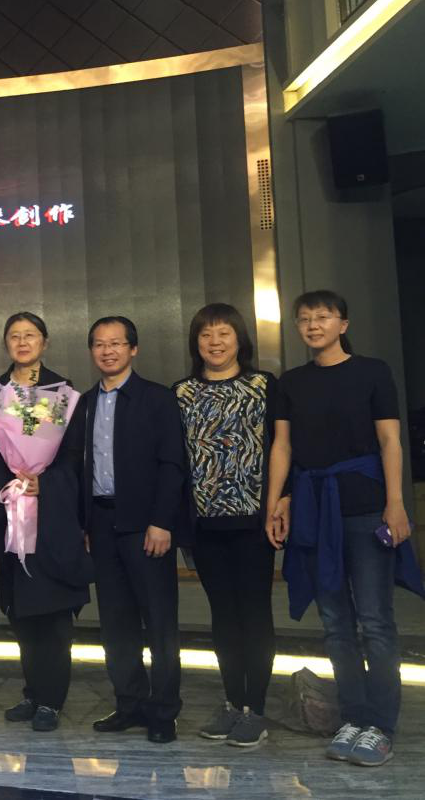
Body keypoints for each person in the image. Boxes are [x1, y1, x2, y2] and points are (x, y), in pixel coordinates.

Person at [266, 290, 423, 767]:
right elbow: (283, 447)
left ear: (343, 324)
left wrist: (396, 503)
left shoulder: (372, 372)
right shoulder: (291, 382)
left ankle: (381, 725)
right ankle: (352, 717)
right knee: (335, 622)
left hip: (367, 507)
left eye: (323, 317)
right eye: (304, 319)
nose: (313, 325)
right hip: (315, 509)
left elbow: (390, 440)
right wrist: (274, 501)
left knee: (375, 620)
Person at [66, 316, 186, 743]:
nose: (108, 351)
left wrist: (162, 521)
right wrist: (84, 523)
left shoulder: (157, 398)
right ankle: (129, 703)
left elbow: (172, 464)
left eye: (116, 343)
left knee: (159, 622)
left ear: (133, 349)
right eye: (99, 344)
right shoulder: (84, 404)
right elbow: (78, 469)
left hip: (146, 525)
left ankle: (164, 711)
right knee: (116, 623)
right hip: (101, 524)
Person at [173, 304, 280, 748]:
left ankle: (257, 708)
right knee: (222, 614)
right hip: (205, 524)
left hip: (254, 522)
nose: (214, 343)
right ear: (195, 343)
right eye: (206, 335)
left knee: (255, 612)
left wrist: (280, 502)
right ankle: (234, 702)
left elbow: (282, 448)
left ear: (240, 339)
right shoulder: (181, 392)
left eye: (224, 334)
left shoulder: (263, 386)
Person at [0, 312, 92, 733]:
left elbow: (74, 458)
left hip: (51, 520)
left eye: (30, 335)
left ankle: (52, 699)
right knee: (21, 612)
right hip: (10, 516)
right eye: (14, 336)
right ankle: (32, 692)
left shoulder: (64, 394)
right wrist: (12, 482)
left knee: (52, 614)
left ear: (44, 342)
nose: (22, 342)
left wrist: (43, 483)